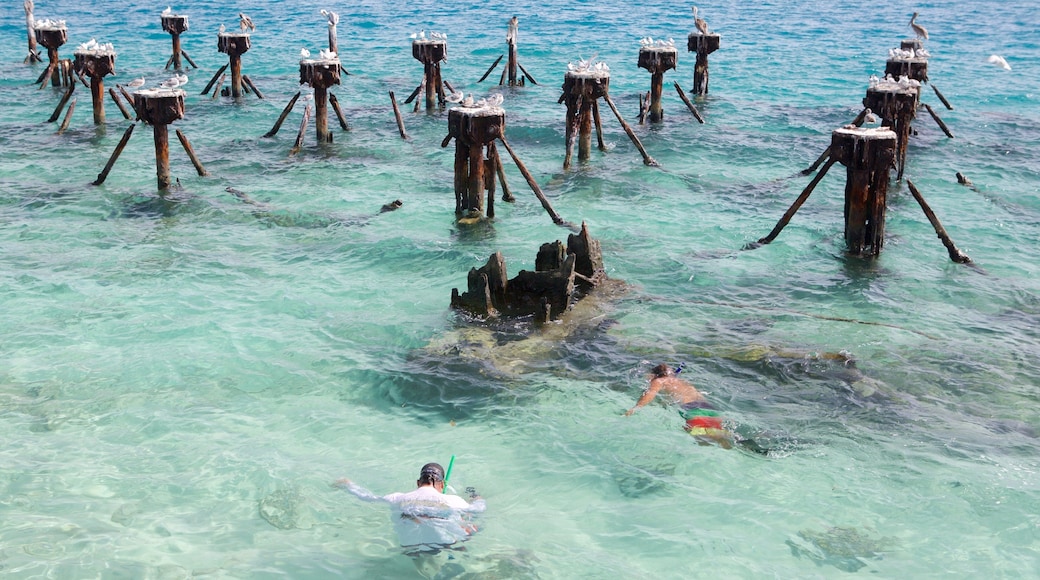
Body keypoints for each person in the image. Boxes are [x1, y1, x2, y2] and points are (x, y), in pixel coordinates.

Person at [336, 462, 486, 577]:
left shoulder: (396, 498)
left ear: (418, 482)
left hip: (409, 547)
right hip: (444, 545)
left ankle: (424, 568)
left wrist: (349, 485)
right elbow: (480, 508)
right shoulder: (453, 501)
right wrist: (474, 493)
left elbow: (367, 497)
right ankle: (451, 566)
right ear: (443, 484)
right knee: (474, 525)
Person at [624, 363, 736, 449]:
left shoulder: (660, 381)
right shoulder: (680, 381)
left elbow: (650, 394)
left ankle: (733, 438)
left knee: (699, 435)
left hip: (693, 408)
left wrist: (636, 407)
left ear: (654, 375)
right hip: (708, 407)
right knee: (712, 440)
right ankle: (732, 444)